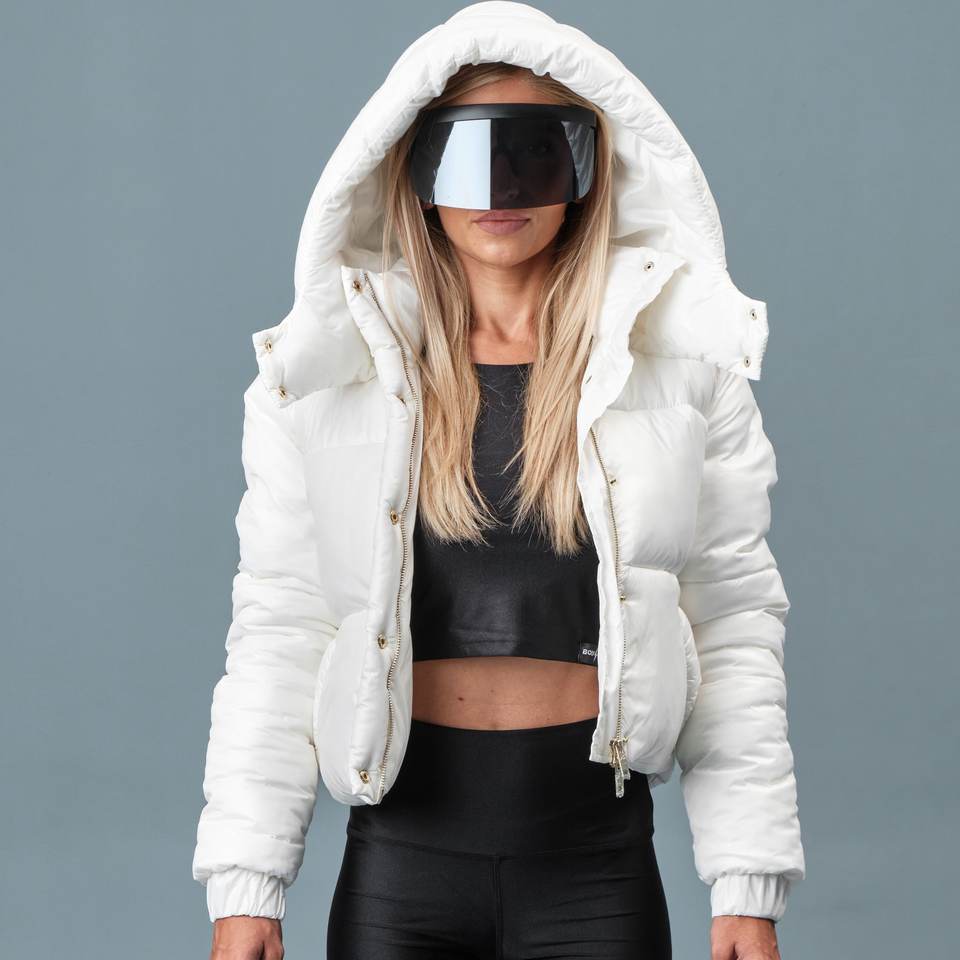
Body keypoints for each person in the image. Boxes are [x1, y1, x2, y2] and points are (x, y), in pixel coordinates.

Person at [192, 4, 806, 959]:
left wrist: (746, 882)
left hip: (596, 865)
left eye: (534, 152)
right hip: (402, 866)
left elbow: (730, 622)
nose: (501, 186)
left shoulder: (681, 371)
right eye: (464, 154)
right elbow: (280, 627)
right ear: (410, 171)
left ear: (587, 167)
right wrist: (246, 883)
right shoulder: (326, 376)